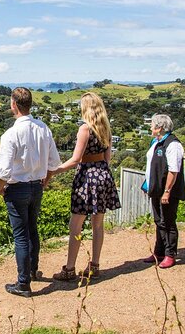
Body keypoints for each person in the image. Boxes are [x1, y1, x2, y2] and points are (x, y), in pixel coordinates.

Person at [47, 92, 121, 281]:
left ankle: (69, 268)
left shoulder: (85, 130)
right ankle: (94, 266)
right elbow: (107, 159)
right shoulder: (106, 129)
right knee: (98, 224)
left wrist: (53, 171)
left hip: (86, 178)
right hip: (103, 176)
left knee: (76, 226)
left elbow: (75, 160)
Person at [0, 87, 62, 297]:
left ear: (14, 104)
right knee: (32, 229)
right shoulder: (44, 129)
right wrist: (45, 181)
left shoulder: (10, 134)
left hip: (17, 188)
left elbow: (4, 170)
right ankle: (32, 271)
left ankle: (23, 283)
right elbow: (54, 163)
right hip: (37, 186)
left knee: (21, 235)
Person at [141, 114, 185, 269]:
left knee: (168, 222)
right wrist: (148, 186)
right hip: (156, 189)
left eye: (152, 125)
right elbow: (151, 165)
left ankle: (170, 254)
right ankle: (159, 252)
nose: (150, 127)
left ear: (159, 128)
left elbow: (174, 170)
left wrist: (167, 191)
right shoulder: (156, 142)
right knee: (158, 221)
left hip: (168, 191)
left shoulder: (173, 145)